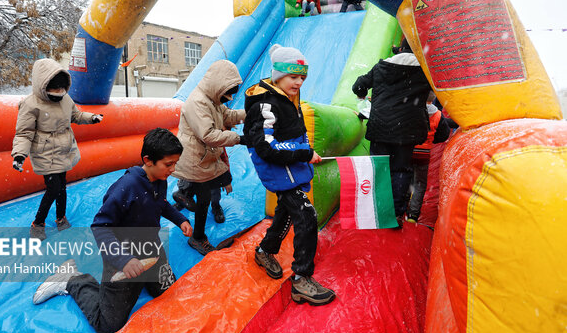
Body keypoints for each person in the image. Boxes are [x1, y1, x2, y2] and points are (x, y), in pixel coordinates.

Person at [32, 128, 193, 333]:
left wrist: (180, 220)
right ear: (148, 160)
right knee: (108, 324)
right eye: (169, 164)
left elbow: (160, 204)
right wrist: (124, 260)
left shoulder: (160, 180)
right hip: (122, 256)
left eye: (175, 164)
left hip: (151, 249)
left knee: (168, 293)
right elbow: (100, 227)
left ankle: (145, 279)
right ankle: (72, 279)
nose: (172, 170)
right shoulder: (126, 188)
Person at [243, 44, 335, 306]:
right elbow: (265, 147)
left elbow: (295, 131)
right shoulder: (266, 104)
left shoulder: (288, 98)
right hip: (278, 168)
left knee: (286, 210)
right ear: (277, 74)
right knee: (306, 216)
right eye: (293, 76)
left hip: (290, 166)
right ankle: (301, 280)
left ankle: (265, 250)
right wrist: (302, 154)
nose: (299, 81)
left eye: (302, 76)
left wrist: (307, 150)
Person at [12, 58, 103, 241]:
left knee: (62, 187)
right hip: (46, 152)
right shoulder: (31, 104)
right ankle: (38, 223)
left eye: (62, 89)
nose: (59, 93)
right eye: (55, 89)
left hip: (64, 149)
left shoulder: (65, 99)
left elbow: (75, 115)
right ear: (43, 85)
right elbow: (24, 132)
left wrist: (91, 118)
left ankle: (61, 217)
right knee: (53, 188)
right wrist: (20, 155)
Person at [352, 38, 432, 222]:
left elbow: (358, 85)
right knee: (401, 170)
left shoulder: (382, 67)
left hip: (381, 126)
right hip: (407, 129)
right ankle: (395, 213)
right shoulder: (425, 71)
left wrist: (362, 94)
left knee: (379, 168)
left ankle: (376, 209)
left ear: (400, 50)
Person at [172, 59, 246, 255]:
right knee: (203, 197)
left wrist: (249, 114)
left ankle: (195, 228)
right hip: (195, 158)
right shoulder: (198, 102)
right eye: (227, 93)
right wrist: (239, 138)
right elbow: (209, 135)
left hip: (203, 158)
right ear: (217, 84)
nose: (228, 98)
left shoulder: (212, 100)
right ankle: (196, 235)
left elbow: (227, 115)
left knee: (204, 198)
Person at [406, 91, 452, 223]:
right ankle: (413, 215)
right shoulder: (438, 114)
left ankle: (403, 207)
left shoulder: (412, 111)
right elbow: (443, 134)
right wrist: (432, 139)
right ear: (433, 100)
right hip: (424, 153)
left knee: (407, 180)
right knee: (420, 184)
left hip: (409, 150)